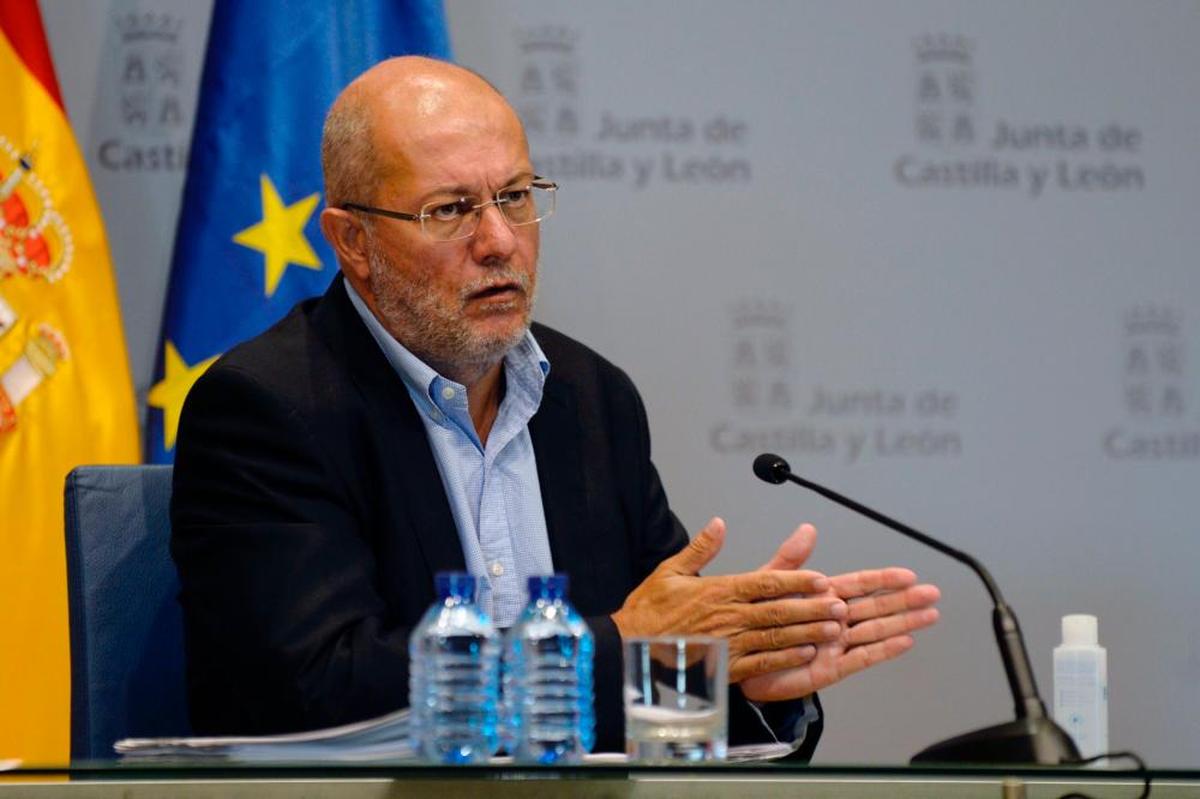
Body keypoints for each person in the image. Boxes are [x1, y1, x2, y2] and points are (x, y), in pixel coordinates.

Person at [170, 56, 940, 756]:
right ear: (354, 242)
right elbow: (315, 696)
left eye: (514, 196)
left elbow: (652, 669)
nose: (500, 239)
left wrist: (742, 681)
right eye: (450, 210)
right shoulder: (268, 408)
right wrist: (625, 643)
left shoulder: (590, 397)